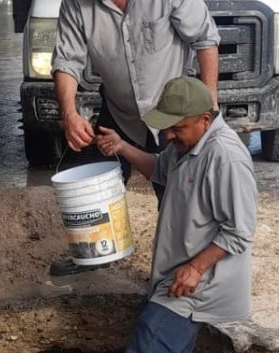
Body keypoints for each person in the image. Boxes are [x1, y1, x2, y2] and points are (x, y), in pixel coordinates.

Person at [96, 76, 257, 353]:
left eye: (177, 127)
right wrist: (122, 146)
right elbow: (159, 169)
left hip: (197, 285)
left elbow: (241, 229)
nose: (170, 135)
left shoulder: (226, 157)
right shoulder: (186, 144)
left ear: (205, 117)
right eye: (167, 128)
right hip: (178, 274)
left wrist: (195, 268)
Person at [48, 0, 221, 276]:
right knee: (88, 174)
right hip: (120, 109)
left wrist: (210, 100)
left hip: (170, 113)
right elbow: (67, 60)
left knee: (176, 191)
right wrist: (69, 114)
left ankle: (185, 266)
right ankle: (95, 254)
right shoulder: (76, 3)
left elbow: (205, 39)